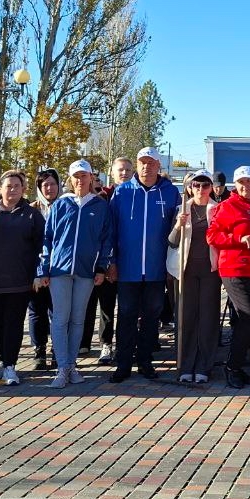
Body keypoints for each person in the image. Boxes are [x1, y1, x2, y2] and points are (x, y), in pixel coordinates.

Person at [36, 160, 113, 390]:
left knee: (78, 319)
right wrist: (44, 269)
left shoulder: (100, 207)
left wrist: (101, 267)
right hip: (59, 271)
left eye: (84, 176)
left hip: (86, 271)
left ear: (91, 178)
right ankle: (62, 367)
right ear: (70, 180)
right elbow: (47, 238)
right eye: (76, 177)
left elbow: (106, 240)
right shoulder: (61, 204)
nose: (80, 180)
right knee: (61, 318)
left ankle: (71, 365)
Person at [106, 147, 180, 383]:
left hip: (157, 269)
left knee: (151, 316)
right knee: (126, 315)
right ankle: (123, 363)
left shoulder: (170, 193)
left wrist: (172, 266)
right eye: (142, 162)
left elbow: (178, 231)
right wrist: (111, 262)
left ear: (159, 165)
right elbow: (111, 230)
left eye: (151, 162)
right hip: (128, 268)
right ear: (137, 165)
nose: (146, 167)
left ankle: (145, 361)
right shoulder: (122, 192)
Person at [207, 165, 250, 389]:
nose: (245, 185)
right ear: (235, 185)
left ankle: (238, 365)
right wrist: (238, 239)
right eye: (241, 182)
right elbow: (212, 235)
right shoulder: (227, 206)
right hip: (235, 268)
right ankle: (232, 366)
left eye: (249, 181)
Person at [0, 170, 46, 386]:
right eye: (8, 186)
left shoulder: (31, 215)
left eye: (16, 186)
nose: (12, 190)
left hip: (20, 281)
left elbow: (42, 245)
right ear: (0, 188)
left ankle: (10, 365)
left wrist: (38, 273)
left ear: (23, 189)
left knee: (14, 323)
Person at [170, 170, 222, 385]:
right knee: (186, 317)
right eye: (196, 185)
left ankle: (204, 365)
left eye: (205, 185)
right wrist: (178, 225)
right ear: (190, 188)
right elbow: (172, 241)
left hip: (210, 270)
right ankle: (186, 364)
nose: (201, 189)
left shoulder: (218, 210)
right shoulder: (181, 208)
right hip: (186, 271)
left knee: (207, 318)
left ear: (211, 188)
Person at [86, 157, 134, 364]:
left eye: (128, 170)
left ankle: (126, 345)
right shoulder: (102, 198)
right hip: (105, 259)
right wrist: (107, 261)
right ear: (112, 173)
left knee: (127, 307)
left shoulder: (137, 195)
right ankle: (105, 344)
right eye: (120, 170)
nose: (124, 173)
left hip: (130, 260)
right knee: (104, 305)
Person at [28, 167, 62, 368]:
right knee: (37, 312)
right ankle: (39, 350)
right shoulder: (31, 210)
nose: (49, 188)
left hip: (59, 269)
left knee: (57, 312)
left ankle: (58, 350)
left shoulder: (66, 206)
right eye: (45, 185)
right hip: (36, 270)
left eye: (53, 184)